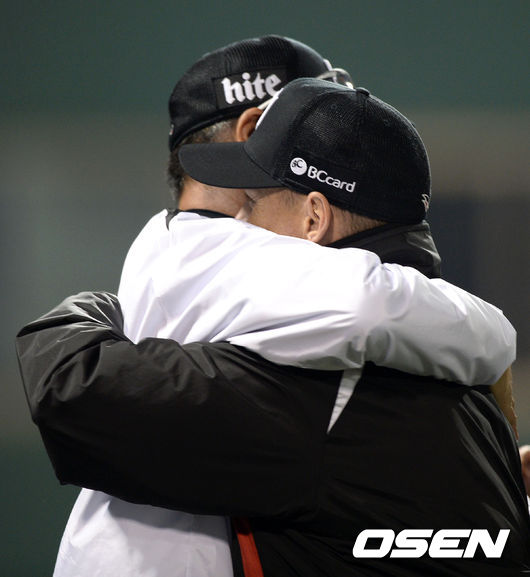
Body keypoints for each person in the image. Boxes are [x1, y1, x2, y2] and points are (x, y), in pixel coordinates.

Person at [16, 79, 530, 576]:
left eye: (253, 203)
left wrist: (100, 308)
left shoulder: (314, 386)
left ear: (314, 218)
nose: (240, 225)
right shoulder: (470, 388)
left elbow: (75, 389)